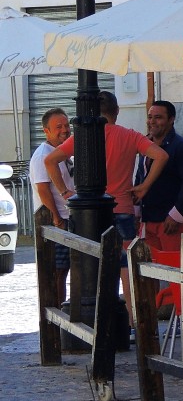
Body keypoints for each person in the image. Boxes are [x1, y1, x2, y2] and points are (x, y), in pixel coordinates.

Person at [45, 91, 169, 324]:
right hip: (121, 206)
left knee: (89, 264)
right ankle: (133, 321)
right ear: (117, 111)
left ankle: (91, 320)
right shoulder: (130, 136)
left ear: (92, 112)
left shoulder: (85, 137)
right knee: (125, 267)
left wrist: (65, 193)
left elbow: (49, 161)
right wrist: (143, 187)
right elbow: (161, 155)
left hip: (89, 212)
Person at [136, 101, 183, 252]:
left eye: (158, 117)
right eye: (150, 117)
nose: (152, 121)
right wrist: (136, 212)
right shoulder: (145, 145)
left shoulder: (182, 147)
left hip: (170, 221)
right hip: (148, 218)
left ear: (171, 119)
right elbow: (140, 178)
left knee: (174, 270)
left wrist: (175, 215)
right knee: (151, 269)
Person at [30, 108, 73, 299]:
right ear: (46, 131)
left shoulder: (64, 151)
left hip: (68, 217)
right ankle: (57, 314)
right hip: (58, 221)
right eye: (58, 127)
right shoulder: (42, 155)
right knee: (58, 271)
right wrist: (56, 217)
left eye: (66, 125)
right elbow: (43, 189)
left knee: (66, 269)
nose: (64, 130)